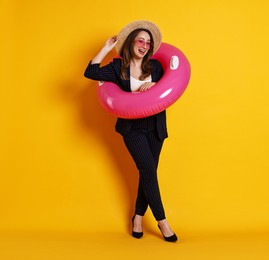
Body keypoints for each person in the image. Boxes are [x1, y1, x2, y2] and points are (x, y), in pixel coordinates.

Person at [84, 20, 177, 242]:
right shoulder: (118, 67)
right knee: (148, 170)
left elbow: (169, 86)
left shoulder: (155, 67)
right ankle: (162, 221)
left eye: (148, 42)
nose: (144, 45)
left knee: (148, 173)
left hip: (155, 126)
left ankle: (137, 216)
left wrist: (155, 86)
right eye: (140, 40)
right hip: (132, 129)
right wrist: (106, 48)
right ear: (131, 43)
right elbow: (90, 72)